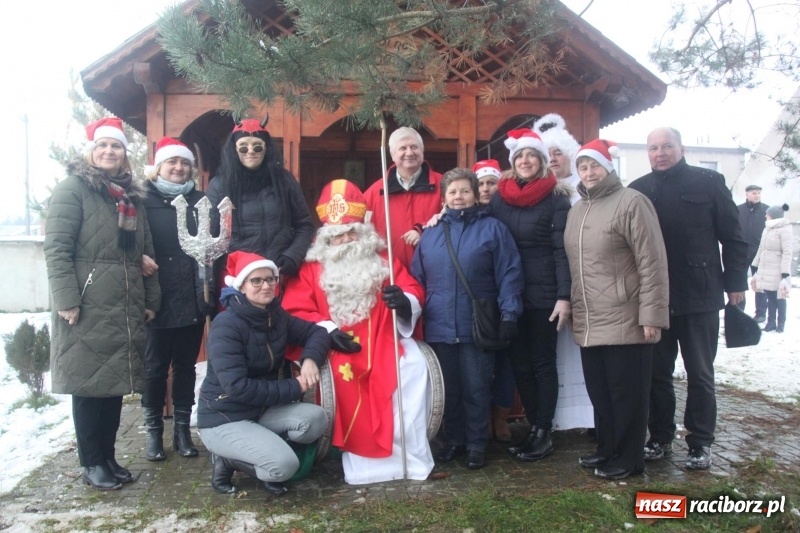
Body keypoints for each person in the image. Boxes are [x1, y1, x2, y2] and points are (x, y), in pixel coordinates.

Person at [283, 179, 434, 484]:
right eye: (339, 235)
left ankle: (409, 460)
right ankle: (368, 468)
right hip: (340, 345)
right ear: (327, 238)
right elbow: (294, 311)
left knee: (415, 367)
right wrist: (326, 331)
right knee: (349, 378)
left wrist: (402, 302)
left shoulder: (382, 261)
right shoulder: (311, 269)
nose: (347, 239)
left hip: (384, 338)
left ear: (363, 233)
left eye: (353, 232)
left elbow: (412, 290)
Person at [44, 117, 161, 490]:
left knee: (112, 385)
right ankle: (91, 462)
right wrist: (67, 300)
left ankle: (108, 457)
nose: (109, 152)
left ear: (125, 155)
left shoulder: (130, 197)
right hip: (86, 304)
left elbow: (146, 253)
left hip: (122, 304)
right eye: (103, 146)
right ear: (91, 151)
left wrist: (150, 299)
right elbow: (57, 251)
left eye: (116, 146)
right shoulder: (72, 190)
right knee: (88, 387)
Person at [628, 127, 748, 470]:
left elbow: (734, 238)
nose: (660, 153)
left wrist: (735, 281)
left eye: (667, 146)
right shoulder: (637, 190)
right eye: (653, 148)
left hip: (701, 295)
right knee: (656, 374)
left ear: (681, 148)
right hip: (655, 299)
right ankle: (660, 437)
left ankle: (700, 442)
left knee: (700, 374)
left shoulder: (708, 182)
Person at [564, 139, 669, 480]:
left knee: (628, 397)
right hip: (591, 319)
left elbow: (652, 262)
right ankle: (607, 449)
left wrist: (652, 315)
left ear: (608, 168)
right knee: (602, 393)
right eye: (582, 166)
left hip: (627, 316)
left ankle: (629, 459)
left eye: (594, 165)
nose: (588, 172)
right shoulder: (578, 209)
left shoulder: (632, 202)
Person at [412, 168, 524, 469]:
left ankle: (476, 443)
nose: (458, 197)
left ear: (475, 194)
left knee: (476, 386)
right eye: (452, 192)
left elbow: (509, 273)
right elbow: (416, 277)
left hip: (478, 322)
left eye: (464, 191)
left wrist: (510, 313)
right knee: (448, 388)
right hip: (439, 323)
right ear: (444, 197)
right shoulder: (432, 234)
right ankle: (454, 440)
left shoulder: (494, 229)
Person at [197, 251, 329, 495]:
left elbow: (317, 333)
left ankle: (261, 445)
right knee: (284, 467)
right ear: (242, 286)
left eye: (270, 279)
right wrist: (295, 386)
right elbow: (237, 387)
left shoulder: (275, 316)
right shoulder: (226, 325)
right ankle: (226, 459)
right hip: (224, 415)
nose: (265, 285)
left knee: (315, 419)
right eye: (256, 281)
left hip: (261, 409)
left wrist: (310, 359)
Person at [489, 128, 572, 462]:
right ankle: (535, 426)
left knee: (542, 363)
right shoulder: (499, 197)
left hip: (544, 294)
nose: (525, 161)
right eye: (520, 156)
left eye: (532, 156)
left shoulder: (556, 198)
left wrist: (564, 296)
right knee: (520, 365)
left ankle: (543, 431)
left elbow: (562, 251)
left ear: (541, 162)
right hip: (510, 294)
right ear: (513, 162)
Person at [140, 137, 215, 462]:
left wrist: (207, 291)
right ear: (159, 166)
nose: (179, 168)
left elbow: (212, 248)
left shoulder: (201, 202)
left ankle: (183, 431)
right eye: (172, 162)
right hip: (156, 297)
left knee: (185, 367)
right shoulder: (142, 199)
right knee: (155, 368)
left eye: (184, 163)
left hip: (191, 297)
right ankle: (154, 433)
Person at [533, 113, 595, 432]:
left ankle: (591, 417)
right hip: (554, 282)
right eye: (549, 154)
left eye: (559, 152)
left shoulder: (584, 189)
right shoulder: (543, 191)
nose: (554, 159)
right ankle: (564, 418)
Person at [207, 118, 315, 280]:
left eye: (257, 147)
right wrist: (207, 288)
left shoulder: (284, 181)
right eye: (243, 147)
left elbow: (304, 225)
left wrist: (292, 256)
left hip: (278, 273)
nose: (250, 151)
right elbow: (209, 238)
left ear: (266, 149)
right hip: (237, 276)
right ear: (234, 150)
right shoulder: (220, 185)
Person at [472, 159, 516, 442]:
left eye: (492, 183)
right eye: (482, 183)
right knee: (479, 366)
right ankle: (483, 416)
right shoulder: (467, 214)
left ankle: (501, 415)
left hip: (507, 294)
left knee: (506, 362)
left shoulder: (510, 211)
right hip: (479, 301)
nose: (486, 189)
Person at [364, 127, 444, 268]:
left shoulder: (444, 186)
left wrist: (423, 231)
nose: (409, 152)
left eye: (414, 147)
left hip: (434, 270)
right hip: (391, 272)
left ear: (422, 151)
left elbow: (453, 223)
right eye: (402, 148)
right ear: (392, 155)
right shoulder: (374, 192)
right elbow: (360, 230)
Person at [751, 204, 792, 333]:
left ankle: (781, 324)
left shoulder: (785, 230)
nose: (765, 216)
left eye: (767, 214)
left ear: (773, 216)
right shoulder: (767, 229)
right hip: (766, 267)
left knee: (780, 297)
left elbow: (787, 252)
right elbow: (761, 248)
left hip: (778, 269)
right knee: (770, 297)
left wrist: (785, 273)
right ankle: (771, 323)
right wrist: (755, 264)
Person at [738, 184, 769, 322]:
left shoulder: (766, 211)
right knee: (739, 282)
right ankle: (739, 310)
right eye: (754, 193)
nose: (757, 195)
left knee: (760, 284)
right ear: (747, 194)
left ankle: (761, 313)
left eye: (759, 193)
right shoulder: (739, 210)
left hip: (759, 252)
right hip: (741, 251)